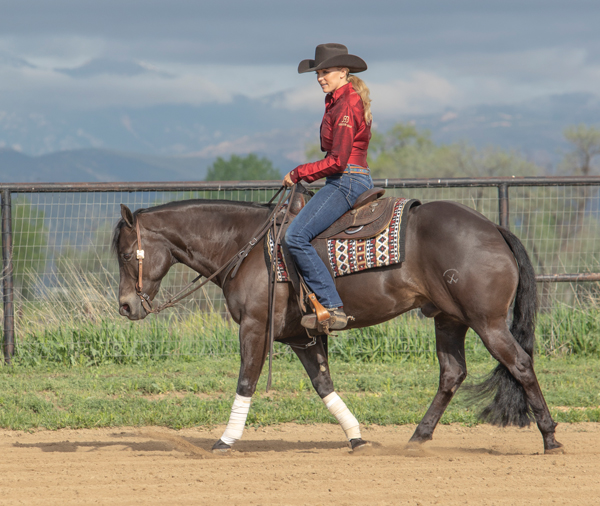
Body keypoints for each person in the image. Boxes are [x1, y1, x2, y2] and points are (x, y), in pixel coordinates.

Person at [283, 43, 374, 331]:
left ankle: (332, 307)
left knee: (295, 236)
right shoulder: (338, 99)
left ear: (344, 72)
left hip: (347, 180)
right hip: (347, 177)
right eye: (318, 73)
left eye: (326, 72)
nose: (321, 77)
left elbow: (337, 161)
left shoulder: (346, 104)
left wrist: (299, 172)